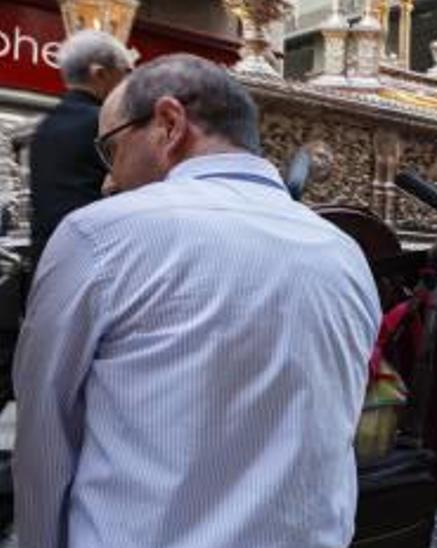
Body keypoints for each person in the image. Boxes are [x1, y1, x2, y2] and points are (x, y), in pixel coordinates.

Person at [13, 54, 381, 547]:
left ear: (168, 124)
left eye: (110, 149)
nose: (107, 179)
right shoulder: (345, 253)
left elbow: (44, 442)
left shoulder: (101, 235)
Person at [28, 30, 133, 267]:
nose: (130, 83)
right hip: (92, 259)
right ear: (100, 74)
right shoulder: (106, 124)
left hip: (46, 261)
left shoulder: (45, 125)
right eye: (126, 72)